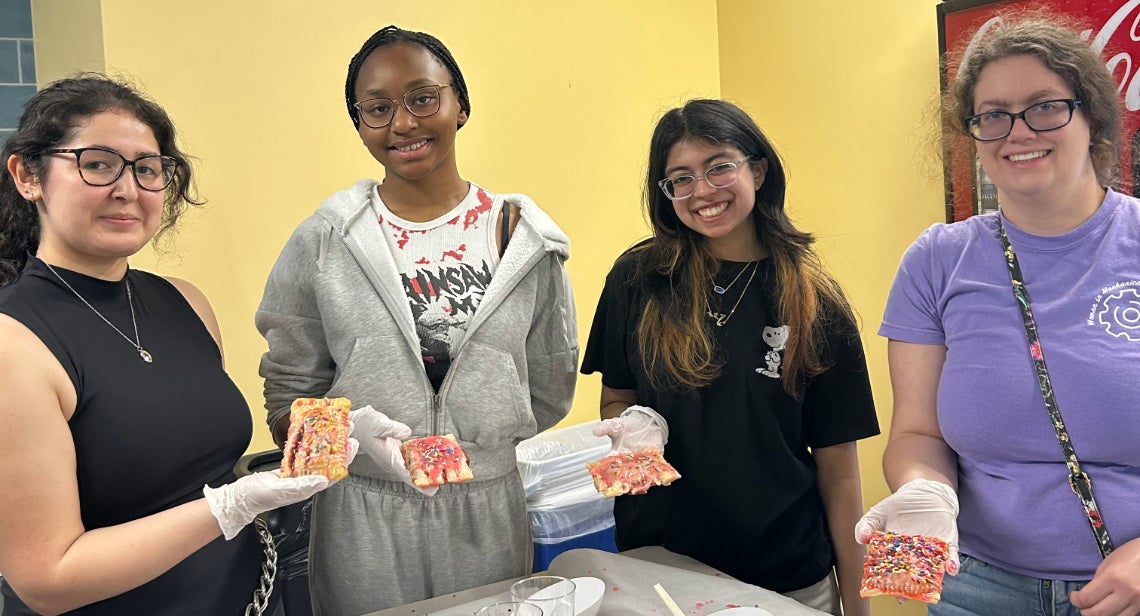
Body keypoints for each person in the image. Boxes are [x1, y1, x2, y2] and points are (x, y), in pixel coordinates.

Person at [255, 25, 578, 614]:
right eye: (377, 109)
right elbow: (290, 390)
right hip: (363, 516)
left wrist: (483, 441)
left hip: (486, 507)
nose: (402, 123)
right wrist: (350, 445)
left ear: (460, 105)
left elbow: (551, 382)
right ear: (359, 124)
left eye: (422, 98)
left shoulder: (522, 240)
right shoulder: (327, 240)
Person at [0, 74, 341, 615]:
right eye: (97, 163)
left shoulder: (184, 302)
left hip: (252, 600)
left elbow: (183, 463)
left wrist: (342, 445)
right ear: (28, 175)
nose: (128, 189)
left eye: (147, 168)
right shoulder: (14, 342)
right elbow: (47, 576)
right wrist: (230, 506)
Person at [858, 15, 1140, 615]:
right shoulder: (935, 260)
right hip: (974, 586)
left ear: (1091, 118)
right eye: (992, 115)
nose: (1018, 131)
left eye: (1044, 106)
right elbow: (916, 435)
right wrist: (922, 491)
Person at [580, 98, 879, 616]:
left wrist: (857, 601)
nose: (702, 191)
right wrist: (631, 424)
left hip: (786, 577)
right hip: (661, 571)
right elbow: (618, 398)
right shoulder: (638, 279)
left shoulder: (814, 300)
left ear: (758, 170)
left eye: (719, 166)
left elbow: (840, 471)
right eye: (681, 178)